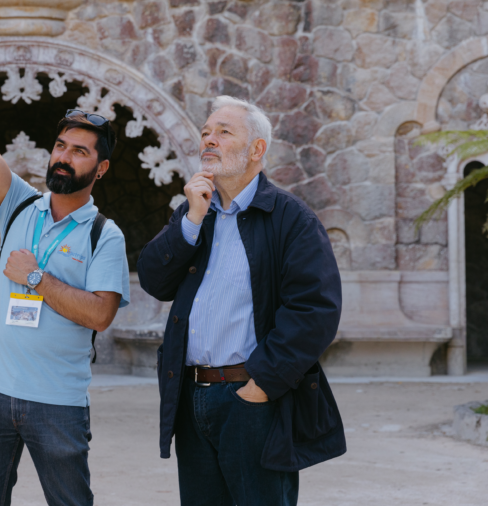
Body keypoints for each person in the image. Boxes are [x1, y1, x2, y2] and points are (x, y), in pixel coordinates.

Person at [137, 96, 346, 506]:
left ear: (256, 149)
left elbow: (315, 310)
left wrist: (263, 385)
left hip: (251, 399)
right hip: (191, 397)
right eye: (205, 132)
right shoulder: (193, 212)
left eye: (223, 132)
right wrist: (191, 220)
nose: (209, 140)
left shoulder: (292, 218)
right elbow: (153, 279)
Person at [0, 49, 131, 506]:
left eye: (79, 152)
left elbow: (100, 315)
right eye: (60, 146)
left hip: (57, 401)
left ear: (101, 168)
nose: (64, 158)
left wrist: (36, 278)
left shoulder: (104, 234)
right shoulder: (20, 204)